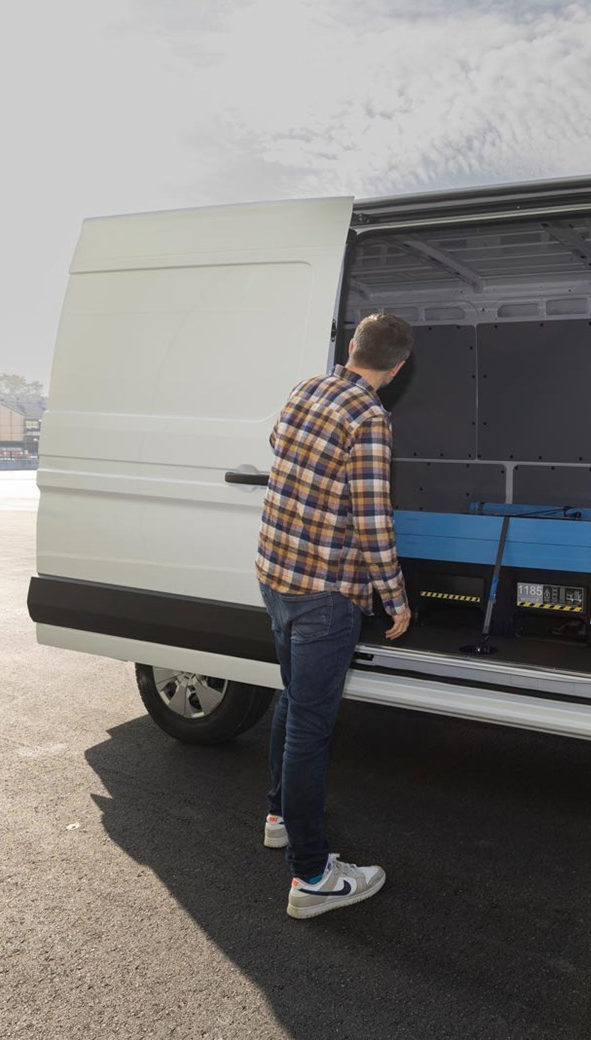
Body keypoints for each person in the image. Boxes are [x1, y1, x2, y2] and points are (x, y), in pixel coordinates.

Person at [255, 312, 414, 919]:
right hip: (326, 592)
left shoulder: (305, 389)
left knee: (292, 700)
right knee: (310, 729)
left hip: (276, 575)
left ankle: (278, 817)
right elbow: (373, 518)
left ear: (351, 348)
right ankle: (312, 876)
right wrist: (394, 598)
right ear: (397, 369)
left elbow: (278, 446)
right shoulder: (370, 418)